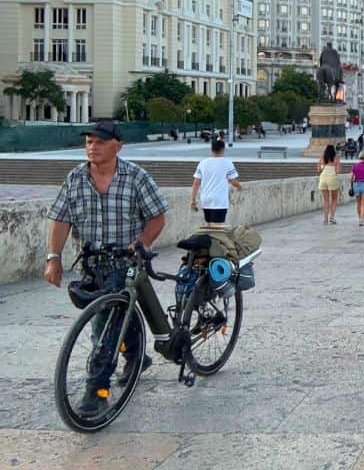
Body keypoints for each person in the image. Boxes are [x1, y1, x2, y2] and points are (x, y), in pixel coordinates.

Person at [44, 120, 168, 417]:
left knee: (105, 327)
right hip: (92, 263)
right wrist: (53, 257)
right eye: (88, 141)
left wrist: (141, 242)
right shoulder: (75, 178)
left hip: (124, 262)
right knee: (117, 319)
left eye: (99, 141)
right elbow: (61, 219)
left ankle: (96, 390)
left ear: (118, 146)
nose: (92, 147)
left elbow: (157, 217)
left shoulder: (136, 177)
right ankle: (137, 355)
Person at [190, 138, 242, 227]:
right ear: (223, 149)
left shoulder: (203, 163)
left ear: (211, 149)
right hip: (219, 200)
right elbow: (232, 180)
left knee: (209, 225)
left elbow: (196, 183)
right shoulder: (227, 163)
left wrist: (193, 199)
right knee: (216, 228)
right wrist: (239, 186)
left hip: (206, 199)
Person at [316, 144, 341, 224]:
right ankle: (332, 217)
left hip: (323, 178)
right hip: (332, 178)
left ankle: (325, 219)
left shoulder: (322, 158)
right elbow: (337, 171)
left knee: (326, 200)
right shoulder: (336, 159)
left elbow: (318, 170)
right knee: (334, 199)